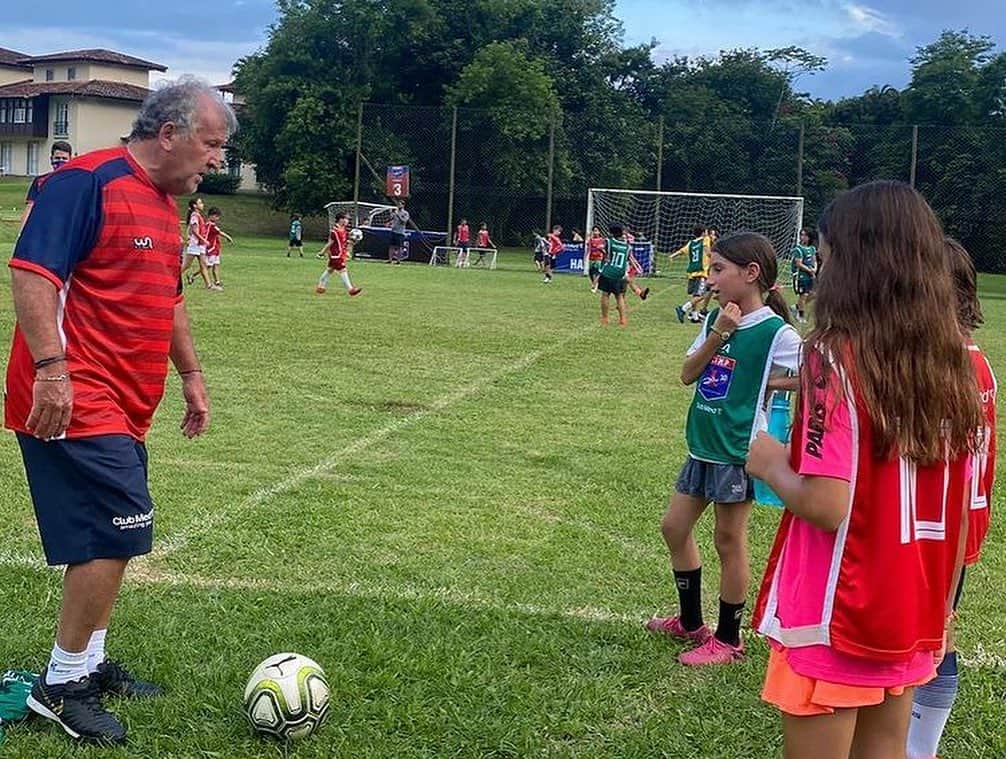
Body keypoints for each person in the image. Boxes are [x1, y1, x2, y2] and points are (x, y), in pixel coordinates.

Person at [7, 78, 234, 745]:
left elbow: (169, 301)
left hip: (127, 404)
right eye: (212, 143)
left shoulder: (166, 206)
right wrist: (53, 369)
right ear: (169, 132)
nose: (217, 159)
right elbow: (31, 273)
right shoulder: (86, 182)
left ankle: (91, 660)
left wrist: (190, 374)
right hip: (74, 395)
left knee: (116, 531)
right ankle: (62, 683)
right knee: (123, 525)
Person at [747, 181, 982, 758]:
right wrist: (941, 610)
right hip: (914, 604)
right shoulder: (962, 366)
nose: (819, 276)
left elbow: (828, 505)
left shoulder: (832, 356)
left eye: (824, 260)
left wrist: (772, 464)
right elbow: (955, 508)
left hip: (842, 606)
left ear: (852, 264)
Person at [647, 232, 800, 666]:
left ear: (750, 274)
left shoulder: (776, 332)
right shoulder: (717, 319)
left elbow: (819, 374)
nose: (711, 278)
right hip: (703, 446)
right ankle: (692, 622)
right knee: (674, 528)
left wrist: (771, 383)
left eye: (719, 269)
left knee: (728, 540)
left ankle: (729, 638)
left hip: (736, 451)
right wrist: (719, 332)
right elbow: (687, 374)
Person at [905, 237, 997, 759]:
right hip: (958, 517)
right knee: (935, 630)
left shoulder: (944, 367)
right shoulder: (974, 360)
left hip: (939, 520)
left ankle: (920, 747)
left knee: (934, 634)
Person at [19, 140, 73, 231]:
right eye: (57, 158)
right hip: (44, 228)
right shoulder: (40, 181)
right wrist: (22, 232)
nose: (60, 161)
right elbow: (30, 206)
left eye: (64, 158)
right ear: (51, 159)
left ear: (70, 159)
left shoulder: (77, 181)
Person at [315, 211, 362, 296]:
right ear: (341, 219)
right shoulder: (335, 231)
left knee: (330, 270)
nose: (347, 221)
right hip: (336, 255)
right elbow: (330, 243)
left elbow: (342, 242)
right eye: (346, 219)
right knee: (343, 270)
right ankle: (350, 289)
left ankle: (321, 286)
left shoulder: (343, 229)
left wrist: (349, 246)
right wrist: (322, 253)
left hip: (340, 254)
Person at [670, 226, 710, 323]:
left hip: (692, 272)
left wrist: (672, 256)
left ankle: (694, 316)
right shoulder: (705, 239)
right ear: (703, 233)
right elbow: (708, 252)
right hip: (701, 272)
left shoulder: (691, 243)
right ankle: (683, 308)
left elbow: (682, 251)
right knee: (703, 295)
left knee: (695, 295)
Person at [597, 224, 631, 327]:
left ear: (611, 233)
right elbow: (627, 259)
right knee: (619, 296)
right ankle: (623, 320)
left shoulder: (609, 241)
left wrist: (605, 254)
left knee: (605, 294)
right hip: (620, 273)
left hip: (609, 271)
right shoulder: (628, 247)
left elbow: (602, 249)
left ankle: (605, 319)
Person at [181, 197, 218, 290]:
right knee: (186, 265)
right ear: (195, 206)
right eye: (200, 203)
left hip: (200, 245)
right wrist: (204, 240)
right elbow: (194, 231)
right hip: (195, 245)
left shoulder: (198, 215)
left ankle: (209, 285)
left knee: (203, 265)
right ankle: (170, 278)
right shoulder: (194, 216)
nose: (202, 204)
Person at [790, 228, 818, 323]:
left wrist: (815, 268)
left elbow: (814, 260)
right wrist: (809, 270)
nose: (803, 237)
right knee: (803, 295)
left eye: (805, 235)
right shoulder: (798, 249)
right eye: (801, 235)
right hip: (801, 276)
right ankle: (801, 316)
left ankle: (796, 307)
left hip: (810, 275)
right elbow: (798, 264)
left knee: (814, 294)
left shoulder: (812, 249)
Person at [204, 207, 233, 289]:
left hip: (216, 249)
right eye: (216, 216)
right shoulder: (210, 225)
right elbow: (219, 232)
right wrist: (228, 237)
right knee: (208, 266)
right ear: (211, 216)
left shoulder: (211, 225)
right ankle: (193, 276)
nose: (217, 218)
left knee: (216, 265)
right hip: (211, 249)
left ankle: (217, 281)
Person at [587, 226, 605, 292]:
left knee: (596, 271)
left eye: (596, 231)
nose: (595, 232)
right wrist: (586, 256)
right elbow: (588, 248)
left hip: (599, 257)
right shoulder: (591, 240)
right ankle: (595, 284)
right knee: (591, 272)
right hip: (591, 257)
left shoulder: (602, 240)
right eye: (594, 231)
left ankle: (594, 285)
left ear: (599, 232)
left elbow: (604, 248)